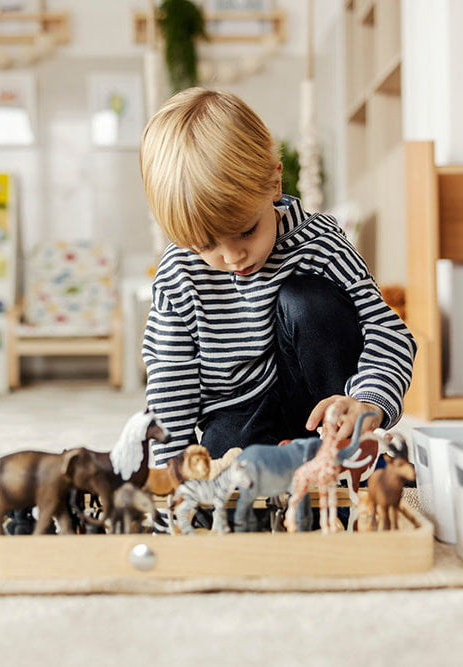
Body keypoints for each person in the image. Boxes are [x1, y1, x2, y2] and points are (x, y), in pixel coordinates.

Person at [140, 87, 417, 467]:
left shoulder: (319, 241)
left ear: (274, 184)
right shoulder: (178, 271)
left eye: (247, 231)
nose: (233, 256)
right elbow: (170, 380)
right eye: (206, 246)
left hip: (322, 409)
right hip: (239, 420)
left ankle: (347, 451)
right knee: (226, 463)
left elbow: (387, 331)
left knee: (306, 300)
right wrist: (172, 472)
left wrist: (367, 402)